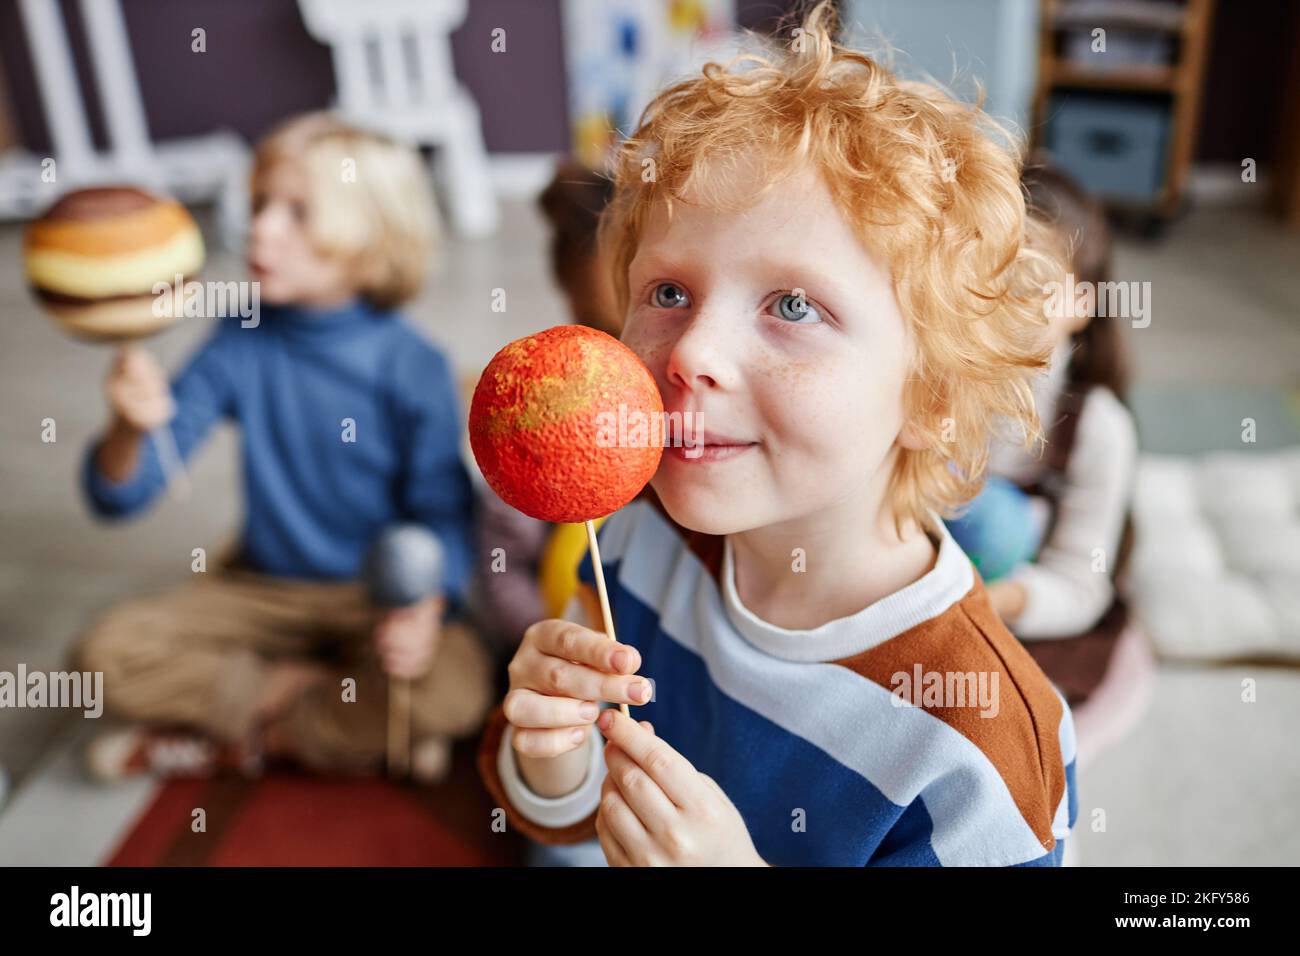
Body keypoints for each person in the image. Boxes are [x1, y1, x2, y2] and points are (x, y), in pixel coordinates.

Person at [477, 3, 1077, 866]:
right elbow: (576, 812)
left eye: (793, 306)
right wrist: (551, 755)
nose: (693, 353)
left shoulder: (978, 741)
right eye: (669, 293)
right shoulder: (638, 538)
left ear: (933, 395)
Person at [71, 113, 492, 782]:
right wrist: (128, 427)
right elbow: (120, 496)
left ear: (372, 236)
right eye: (261, 203)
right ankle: (332, 715)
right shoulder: (239, 337)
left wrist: (422, 609)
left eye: (297, 212)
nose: (261, 228)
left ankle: (241, 735)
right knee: (102, 659)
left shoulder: (413, 364)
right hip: (261, 588)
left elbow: (442, 515)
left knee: (459, 689)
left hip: (370, 600)